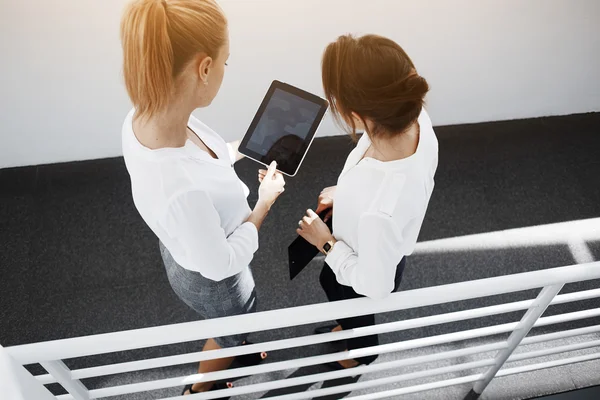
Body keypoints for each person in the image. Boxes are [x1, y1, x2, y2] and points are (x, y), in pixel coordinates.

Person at [119, 0, 286, 395]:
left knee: (238, 326)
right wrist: (264, 201)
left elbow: (205, 161)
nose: (226, 71)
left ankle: (238, 346)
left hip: (185, 243)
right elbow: (222, 263)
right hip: (213, 276)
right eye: (226, 62)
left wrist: (249, 145)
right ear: (205, 68)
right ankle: (200, 389)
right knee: (231, 329)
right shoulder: (180, 191)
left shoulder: (148, 115)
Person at [294, 34, 439, 369]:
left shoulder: (380, 214)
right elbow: (380, 180)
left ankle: (360, 354)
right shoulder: (416, 121)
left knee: (348, 297)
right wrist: (344, 194)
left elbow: (375, 287)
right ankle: (347, 328)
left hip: (366, 264)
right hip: (374, 241)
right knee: (330, 283)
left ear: (357, 115)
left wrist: (325, 243)